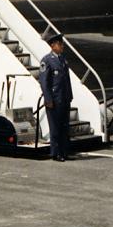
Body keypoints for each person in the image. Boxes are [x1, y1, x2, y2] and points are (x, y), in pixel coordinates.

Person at [39, 28, 74, 162]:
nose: (62, 46)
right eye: (59, 44)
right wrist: (48, 99)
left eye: (62, 44)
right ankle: (56, 153)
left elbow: (67, 80)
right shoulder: (47, 60)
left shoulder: (63, 60)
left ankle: (64, 151)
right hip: (54, 99)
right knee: (55, 127)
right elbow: (44, 82)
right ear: (52, 45)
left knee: (64, 126)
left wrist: (70, 96)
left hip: (64, 98)